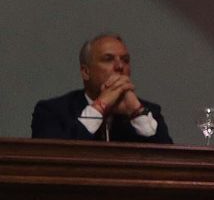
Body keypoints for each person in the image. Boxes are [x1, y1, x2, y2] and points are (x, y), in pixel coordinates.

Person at [31, 35, 173, 143]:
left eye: (125, 60)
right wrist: (100, 105)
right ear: (86, 72)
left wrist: (137, 112)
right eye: (108, 59)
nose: (120, 66)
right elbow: (55, 158)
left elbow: (168, 162)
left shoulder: (149, 112)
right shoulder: (52, 111)